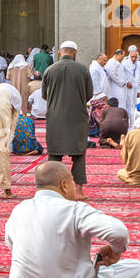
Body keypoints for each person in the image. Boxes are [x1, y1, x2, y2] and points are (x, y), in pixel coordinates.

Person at [5, 161, 140, 278]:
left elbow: (12, 245)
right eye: (72, 181)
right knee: (135, 269)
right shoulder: (74, 209)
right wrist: (115, 249)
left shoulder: (19, 209)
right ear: (64, 185)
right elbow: (118, 232)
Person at [41, 41, 92, 195]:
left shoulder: (50, 70)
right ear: (75, 53)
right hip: (77, 117)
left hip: (55, 118)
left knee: (54, 155)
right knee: (79, 154)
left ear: (59, 53)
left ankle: (53, 191)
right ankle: (79, 191)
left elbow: (44, 95)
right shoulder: (83, 69)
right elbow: (88, 94)